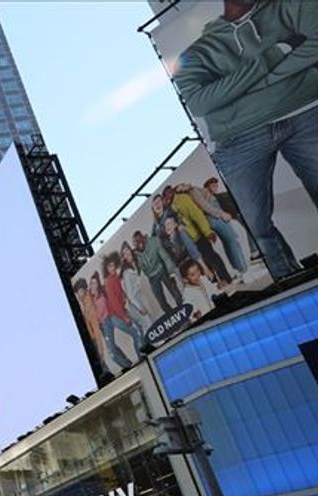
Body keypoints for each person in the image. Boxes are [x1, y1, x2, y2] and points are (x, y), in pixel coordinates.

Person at [173, 0, 317, 280]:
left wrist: (242, 89)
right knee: (253, 221)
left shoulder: (291, 7)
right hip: (238, 137)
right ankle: (289, 281)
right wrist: (278, 52)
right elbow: (199, 102)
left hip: (306, 107)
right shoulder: (197, 52)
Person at [178, 180, 248, 278]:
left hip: (211, 217)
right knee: (232, 241)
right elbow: (205, 206)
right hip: (214, 217)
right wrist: (221, 214)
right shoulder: (192, 192)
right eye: (181, 185)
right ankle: (243, 270)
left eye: (183, 184)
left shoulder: (191, 192)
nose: (185, 185)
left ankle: (238, 270)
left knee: (228, 243)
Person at [102, 256, 147, 358]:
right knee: (136, 332)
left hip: (121, 311)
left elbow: (121, 294)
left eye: (113, 265)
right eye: (110, 266)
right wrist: (124, 317)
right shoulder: (109, 282)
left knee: (139, 328)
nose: (112, 268)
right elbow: (114, 302)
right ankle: (142, 356)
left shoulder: (115, 278)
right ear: (106, 268)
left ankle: (144, 352)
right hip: (115, 316)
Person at [133, 232, 182, 314]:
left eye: (140, 240)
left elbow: (165, 257)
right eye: (137, 242)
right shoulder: (136, 255)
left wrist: (171, 272)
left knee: (174, 290)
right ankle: (172, 315)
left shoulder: (154, 242)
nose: (139, 244)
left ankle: (182, 308)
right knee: (161, 302)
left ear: (144, 238)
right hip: (152, 276)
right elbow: (141, 270)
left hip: (161, 268)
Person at [119, 241, 156, 325]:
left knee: (155, 317)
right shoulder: (126, 273)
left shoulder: (137, 262)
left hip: (147, 294)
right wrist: (140, 308)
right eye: (124, 253)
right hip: (138, 300)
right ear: (123, 257)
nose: (127, 254)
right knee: (149, 323)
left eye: (127, 250)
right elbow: (130, 294)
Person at [73, 278, 108, 362]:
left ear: (85, 290)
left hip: (95, 339)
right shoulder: (85, 303)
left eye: (80, 292)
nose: (78, 295)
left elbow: (96, 330)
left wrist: (101, 352)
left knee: (101, 363)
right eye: (77, 293)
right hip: (92, 338)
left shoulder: (89, 306)